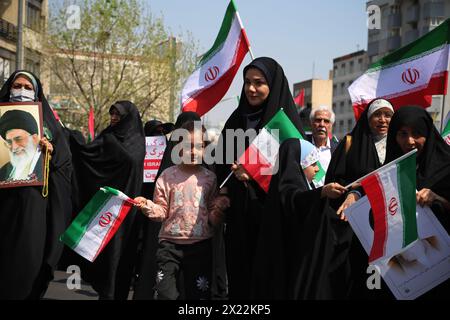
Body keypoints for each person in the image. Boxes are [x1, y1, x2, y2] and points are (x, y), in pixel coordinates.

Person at [215, 57, 306, 299]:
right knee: (241, 281)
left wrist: (254, 175)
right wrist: (226, 189)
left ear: (273, 85)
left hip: (274, 217)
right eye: (247, 82)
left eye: (259, 83)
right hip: (240, 219)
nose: (252, 89)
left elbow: (297, 173)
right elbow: (221, 167)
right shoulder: (236, 120)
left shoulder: (286, 125)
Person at [134, 120, 230, 299]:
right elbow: (161, 211)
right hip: (169, 246)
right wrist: (146, 205)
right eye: (188, 146)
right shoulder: (167, 176)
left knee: (198, 293)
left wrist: (218, 210)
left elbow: (212, 212)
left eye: (199, 146)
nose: (193, 151)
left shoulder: (210, 178)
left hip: (200, 246)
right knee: (164, 292)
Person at [0, 70, 72, 299]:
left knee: (28, 264)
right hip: (3, 207)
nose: (21, 91)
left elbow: (65, 164)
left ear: (37, 91)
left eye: (28, 87)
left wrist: (50, 152)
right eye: (17, 85)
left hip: (34, 209)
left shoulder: (49, 126)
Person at [66, 100, 145, 300]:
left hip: (129, 213)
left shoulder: (138, 142)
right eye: (112, 114)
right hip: (107, 209)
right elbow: (89, 157)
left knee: (123, 257)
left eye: (118, 114)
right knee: (108, 256)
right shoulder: (107, 137)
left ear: (129, 118)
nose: (114, 118)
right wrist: (72, 137)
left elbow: (133, 167)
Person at [251, 139, 347, 299]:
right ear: (297, 164)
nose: (317, 169)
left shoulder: (300, 187)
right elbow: (296, 200)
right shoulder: (285, 190)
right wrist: (322, 192)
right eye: (312, 163)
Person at [325, 98, 395, 299]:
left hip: (389, 221)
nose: (382, 120)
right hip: (355, 227)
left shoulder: (399, 143)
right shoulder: (351, 143)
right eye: (377, 115)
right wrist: (351, 193)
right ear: (367, 118)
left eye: (387, 115)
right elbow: (336, 181)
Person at [133, 112, 201, 300]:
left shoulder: (207, 175)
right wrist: (147, 205)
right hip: (169, 240)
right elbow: (160, 206)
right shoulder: (168, 173)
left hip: (196, 241)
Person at [385, 105, 450, 231]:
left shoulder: (446, 165)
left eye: (416, 133)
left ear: (428, 135)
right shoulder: (389, 169)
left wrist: (438, 199)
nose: (409, 141)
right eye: (403, 134)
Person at [0, 110, 43, 181]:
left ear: (34, 139)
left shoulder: (49, 165)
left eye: (18, 139)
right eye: (9, 142)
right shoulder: (3, 172)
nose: (14, 148)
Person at [308, 105, 339, 173]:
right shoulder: (302, 144)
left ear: (331, 125)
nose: (322, 124)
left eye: (326, 121)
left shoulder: (338, 149)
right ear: (311, 123)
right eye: (318, 120)